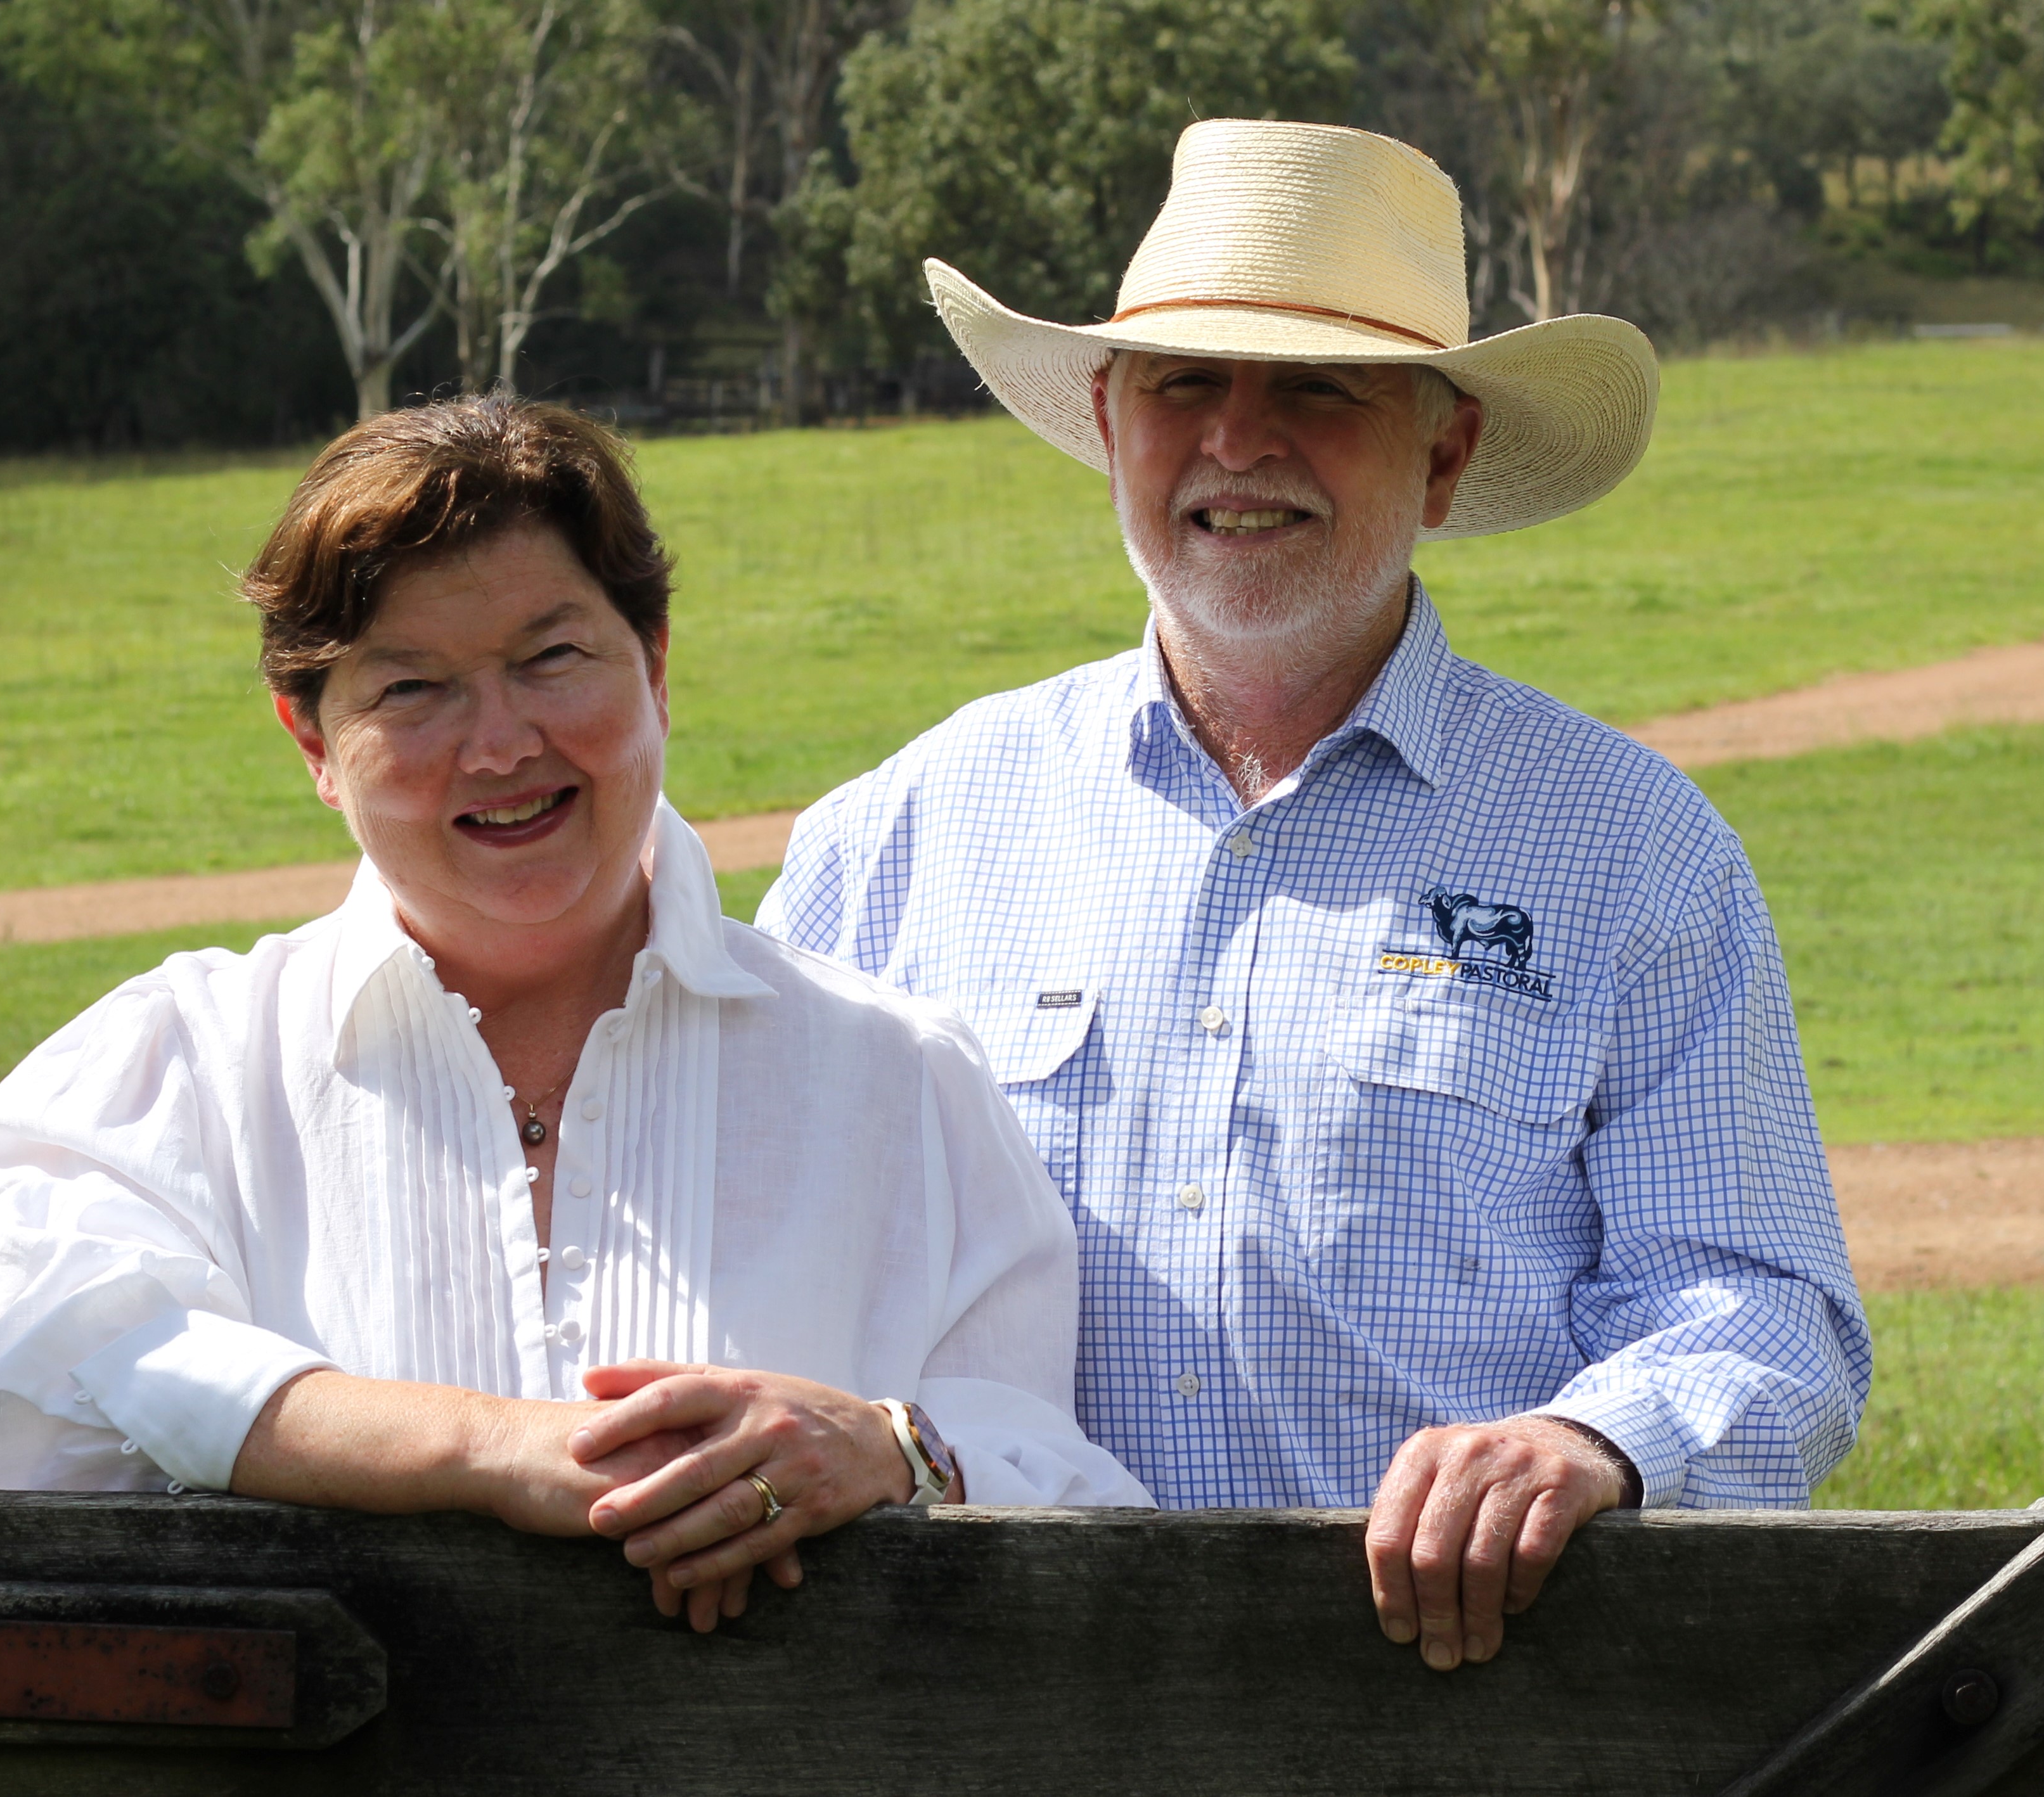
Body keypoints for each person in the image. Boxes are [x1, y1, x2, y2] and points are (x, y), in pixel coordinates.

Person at [762, 120, 1872, 1670]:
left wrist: (1590, 1439)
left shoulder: (1629, 848)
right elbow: (749, 1258)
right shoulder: (900, 834)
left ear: (1445, 451)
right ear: (1109, 419)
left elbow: (1764, 1311)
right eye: (1182, 383)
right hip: (988, 1704)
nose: (1236, 441)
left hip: (1457, 1709)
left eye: (1317, 388)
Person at [0, 395, 1151, 1631]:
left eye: (552, 658)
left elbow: (1055, 1483)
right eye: (412, 687)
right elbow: (54, 1370)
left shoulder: (893, 1074)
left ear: (656, 666)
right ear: (312, 741)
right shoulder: (187, 1068)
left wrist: (895, 1450)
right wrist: (484, 1448)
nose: (501, 744)